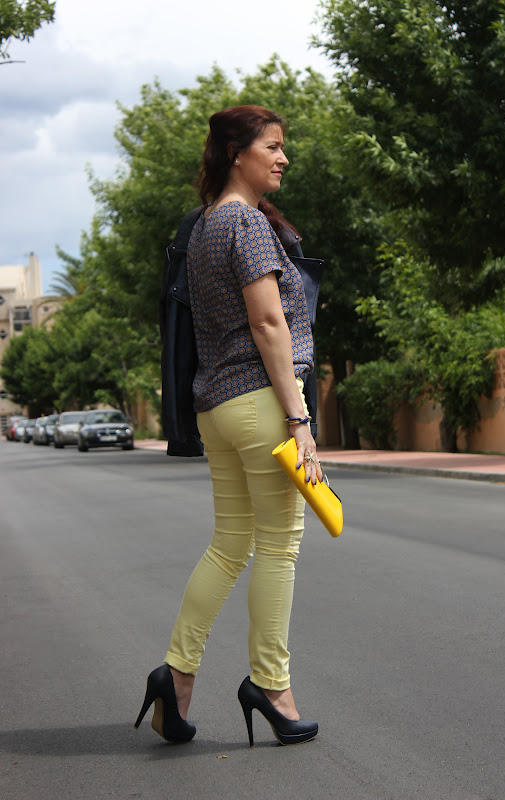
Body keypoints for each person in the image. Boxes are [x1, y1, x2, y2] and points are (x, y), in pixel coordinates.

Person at [135, 105, 323, 747]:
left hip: (216, 407)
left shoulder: (203, 226)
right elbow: (268, 323)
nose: (283, 157)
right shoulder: (245, 221)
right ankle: (272, 686)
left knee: (229, 544)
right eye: (272, 146)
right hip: (262, 403)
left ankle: (176, 677)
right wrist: (299, 419)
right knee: (279, 545)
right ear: (237, 153)